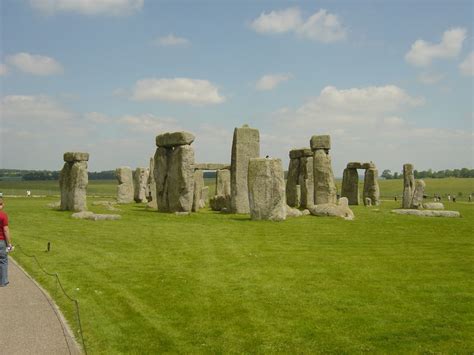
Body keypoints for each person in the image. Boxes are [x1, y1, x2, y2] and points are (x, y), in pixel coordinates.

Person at [0, 198, 13, 287]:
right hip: (1, 241)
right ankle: (3, 281)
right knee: (3, 261)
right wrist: (9, 244)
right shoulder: (3, 215)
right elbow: (5, 230)